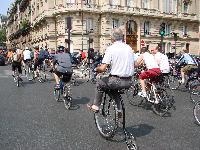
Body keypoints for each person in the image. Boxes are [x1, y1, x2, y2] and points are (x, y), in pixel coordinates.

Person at [87, 28, 134, 114]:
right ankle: (119, 109)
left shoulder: (111, 48)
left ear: (112, 38)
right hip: (129, 81)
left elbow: (103, 68)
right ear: (122, 37)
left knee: (99, 83)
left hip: (117, 80)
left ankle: (95, 106)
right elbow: (134, 63)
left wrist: (96, 69)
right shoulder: (129, 48)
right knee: (113, 89)